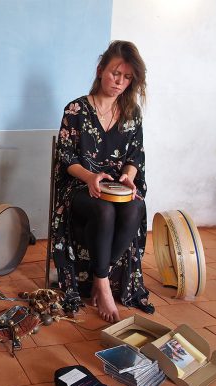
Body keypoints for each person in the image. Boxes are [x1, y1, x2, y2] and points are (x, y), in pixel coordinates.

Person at [51, 40, 154, 323]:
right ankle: (104, 284)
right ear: (100, 70)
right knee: (104, 209)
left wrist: (128, 178)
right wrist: (90, 177)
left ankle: (100, 275)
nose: (120, 82)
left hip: (116, 188)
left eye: (127, 77)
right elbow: (66, 157)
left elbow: (136, 156)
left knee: (134, 207)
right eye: (115, 74)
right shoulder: (76, 110)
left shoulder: (132, 114)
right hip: (81, 185)